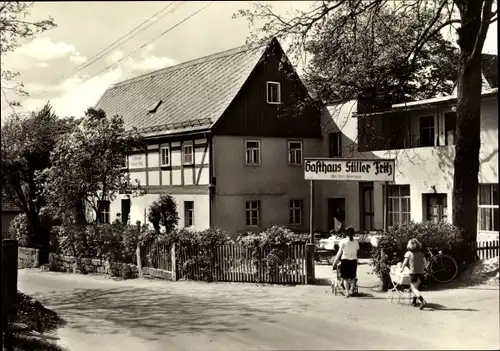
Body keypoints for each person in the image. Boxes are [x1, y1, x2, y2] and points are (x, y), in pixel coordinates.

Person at [332, 226, 359, 298]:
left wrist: (335, 262)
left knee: (345, 278)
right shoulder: (356, 242)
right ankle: (352, 289)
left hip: (345, 261)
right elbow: (356, 252)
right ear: (353, 234)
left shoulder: (343, 241)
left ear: (346, 233)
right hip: (353, 261)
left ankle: (347, 292)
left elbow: (339, 253)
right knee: (353, 277)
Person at [401, 238, 428, 310]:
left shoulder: (408, 253)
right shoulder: (421, 253)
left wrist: (402, 269)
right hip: (421, 272)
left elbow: (404, 263)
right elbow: (425, 263)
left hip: (413, 272)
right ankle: (414, 302)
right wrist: (424, 269)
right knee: (416, 287)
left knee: (413, 288)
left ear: (409, 245)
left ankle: (422, 301)